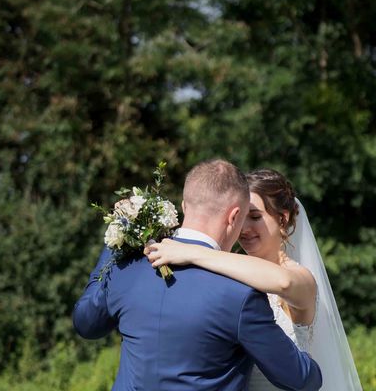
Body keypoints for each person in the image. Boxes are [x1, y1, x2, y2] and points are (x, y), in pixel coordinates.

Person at [73, 159, 322, 391]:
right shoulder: (240, 294)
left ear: (183, 206)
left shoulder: (127, 267)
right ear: (234, 216)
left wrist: (115, 245)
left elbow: (86, 324)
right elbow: (299, 378)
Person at [145, 168, 363, 391]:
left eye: (255, 217)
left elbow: (283, 283)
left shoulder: (301, 278)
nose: (244, 228)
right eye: (241, 217)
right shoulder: (224, 270)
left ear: (282, 218)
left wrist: (192, 252)